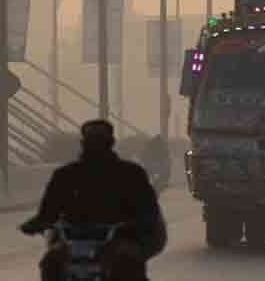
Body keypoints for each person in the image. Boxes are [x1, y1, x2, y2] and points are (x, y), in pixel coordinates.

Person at [20, 120, 167, 281]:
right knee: (51, 262)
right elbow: (48, 211)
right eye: (91, 141)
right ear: (83, 143)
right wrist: (36, 223)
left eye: (99, 141)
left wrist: (139, 224)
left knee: (127, 263)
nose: (95, 146)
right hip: (72, 244)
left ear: (110, 143)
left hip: (119, 240)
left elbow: (148, 209)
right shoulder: (65, 175)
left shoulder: (131, 174)